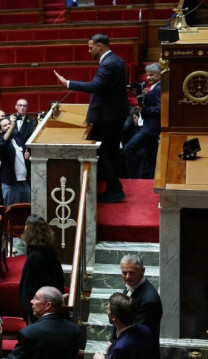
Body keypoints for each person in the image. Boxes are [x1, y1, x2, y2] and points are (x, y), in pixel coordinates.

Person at [54, 33, 130, 203]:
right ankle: (113, 187)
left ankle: (115, 189)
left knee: (102, 151)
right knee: (110, 152)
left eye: (90, 47)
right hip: (115, 113)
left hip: (108, 116)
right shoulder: (116, 60)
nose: (89, 51)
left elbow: (95, 85)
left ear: (100, 46)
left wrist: (68, 83)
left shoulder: (108, 63)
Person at [8, 286, 80, 359]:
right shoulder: (74, 329)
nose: (31, 301)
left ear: (48, 305)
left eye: (35, 298)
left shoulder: (28, 333)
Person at [18, 214, 65, 323]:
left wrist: (30, 302)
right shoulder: (49, 249)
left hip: (40, 303)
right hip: (49, 300)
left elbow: (32, 284)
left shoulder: (34, 256)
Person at [123, 63, 161, 179]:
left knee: (128, 149)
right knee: (151, 157)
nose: (149, 78)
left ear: (160, 75)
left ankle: (133, 178)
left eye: (152, 75)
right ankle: (152, 180)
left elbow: (160, 109)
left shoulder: (159, 88)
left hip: (151, 128)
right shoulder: (155, 87)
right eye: (148, 75)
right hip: (149, 126)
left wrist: (144, 109)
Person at [116, 254, 162, 346]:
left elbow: (135, 333)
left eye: (132, 273)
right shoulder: (131, 284)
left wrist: (114, 345)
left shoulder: (149, 300)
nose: (127, 277)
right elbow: (119, 317)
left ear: (142, 271)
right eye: (124, 273)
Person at [93, 293, 157, 359]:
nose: (107, 312)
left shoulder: (119, 349)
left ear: (114, 316)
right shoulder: (146, 330)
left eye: (108, 309)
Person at [0, 117, 31, 207]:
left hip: (23, 180)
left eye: (9, 124)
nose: (8, 126)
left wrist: (26, 157)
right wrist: (12, 126)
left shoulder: (17, 136)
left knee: (27, 210)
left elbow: (23, 152)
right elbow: (2, 143)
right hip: (10, 183)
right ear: (0, 129)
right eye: (5, 125)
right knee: (11, 212)